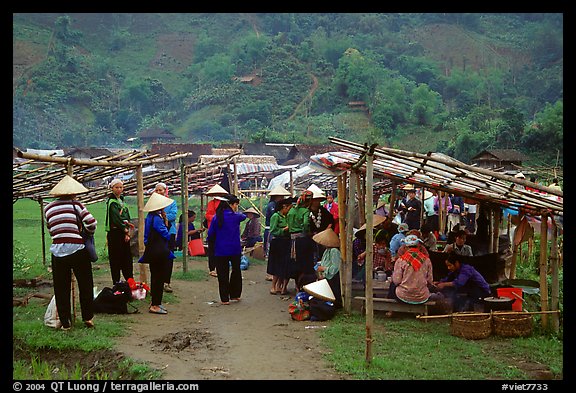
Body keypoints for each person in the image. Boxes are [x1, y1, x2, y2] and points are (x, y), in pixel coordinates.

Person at [44, 175, 98, 330]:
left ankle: (65, 323)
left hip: (57, 251)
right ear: (74, 193)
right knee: (85, 284)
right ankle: (87, 318)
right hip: (77, 249)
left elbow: (50, 229)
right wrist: (85, 231)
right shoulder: (77, 205)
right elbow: (91, 223)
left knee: (61, 288)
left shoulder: (48, 208)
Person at [138, 192, 176, 314]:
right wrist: (166, 222)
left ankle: (155, 303)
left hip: (153, 251)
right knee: (158, 278)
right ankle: (155, 305)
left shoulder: (150, 217)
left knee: (156, 277)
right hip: (159, 252)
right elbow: (165, 233)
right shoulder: (156, 219)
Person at [206, 194, 247, 305]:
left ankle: (224, 299)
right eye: (236, 205)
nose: (236, 207)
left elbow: (210, 234)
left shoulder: (216, 217)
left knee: (222, 274)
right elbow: (244, 216)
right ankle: (235, 295)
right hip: (234, 249)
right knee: (236, 271)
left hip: (220, 250)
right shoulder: (236, 216)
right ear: (231, 205)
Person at [387, 235, 439, 313]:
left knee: (392, 285)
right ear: (418, 246)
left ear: (405, 247)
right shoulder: (427, 260)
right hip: (422, 297)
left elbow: (397, 281)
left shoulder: (401, 260)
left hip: (403, 296)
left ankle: (390, 310)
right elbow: (430, 281)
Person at [105, 178, 134, 286]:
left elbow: (127, 216)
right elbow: (115, 218)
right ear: (112, 188)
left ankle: (129, 281)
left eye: (121, 187)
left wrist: (127, 232)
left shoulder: (122, 201)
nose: (119, 189)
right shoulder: (112, 202)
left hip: (123, 232)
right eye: (116, 187)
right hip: (115, 233)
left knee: (126, 257)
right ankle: (116, 282)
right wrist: (124, 229)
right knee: (116, 258)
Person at [286, 190, 316, 290]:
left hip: (292, 240)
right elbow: (306, 224)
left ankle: (297, 285)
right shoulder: (305, 211)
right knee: (305, 263)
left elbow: (289, 224)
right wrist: (307, 232)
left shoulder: (291, 211)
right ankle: (304, 285)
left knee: (295, 263)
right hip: (303, 241)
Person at [154, 182, 178, 293]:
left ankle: (166, 282)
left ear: (165, 191)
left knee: (168, 257)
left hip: (169, 233)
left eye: (161, 190)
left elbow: (173, 215)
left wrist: (162, 216)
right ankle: (158, 281)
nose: (159, 192)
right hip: (157, 233)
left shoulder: (172, 202)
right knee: (157, 257)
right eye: (157, 190)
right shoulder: (153, 203)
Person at [267, 198, 292, 295]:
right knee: (276, 265)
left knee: (284, 265)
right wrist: (284, 230)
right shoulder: (275, 216)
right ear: (284, 207)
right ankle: (273, 286)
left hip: (286, 242)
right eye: (289, 207)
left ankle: (280, 286)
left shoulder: (287, 216)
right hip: (278, 242)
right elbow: (273, 230)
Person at [312, 227, 342, 308]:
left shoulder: (334, 251)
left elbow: (336, 267)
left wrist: (324, 269)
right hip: (325, 275)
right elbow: (323, 261)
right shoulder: (327, 250)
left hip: (332, 277)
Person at [204, 184, 229, 277]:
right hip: (213, 229)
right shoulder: (211, 203)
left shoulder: (226, 203)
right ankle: (212, 268)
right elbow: (207, 215)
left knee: (220, 249)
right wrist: (216, 218)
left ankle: (219, 267)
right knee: (212, 249)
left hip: (222, 229)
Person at [263, 185, 291, 258]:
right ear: (276, 196)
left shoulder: (278, 205)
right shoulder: (272, 205)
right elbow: (274, 217)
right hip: (271, 229)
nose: (282, 198)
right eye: (281, 196)